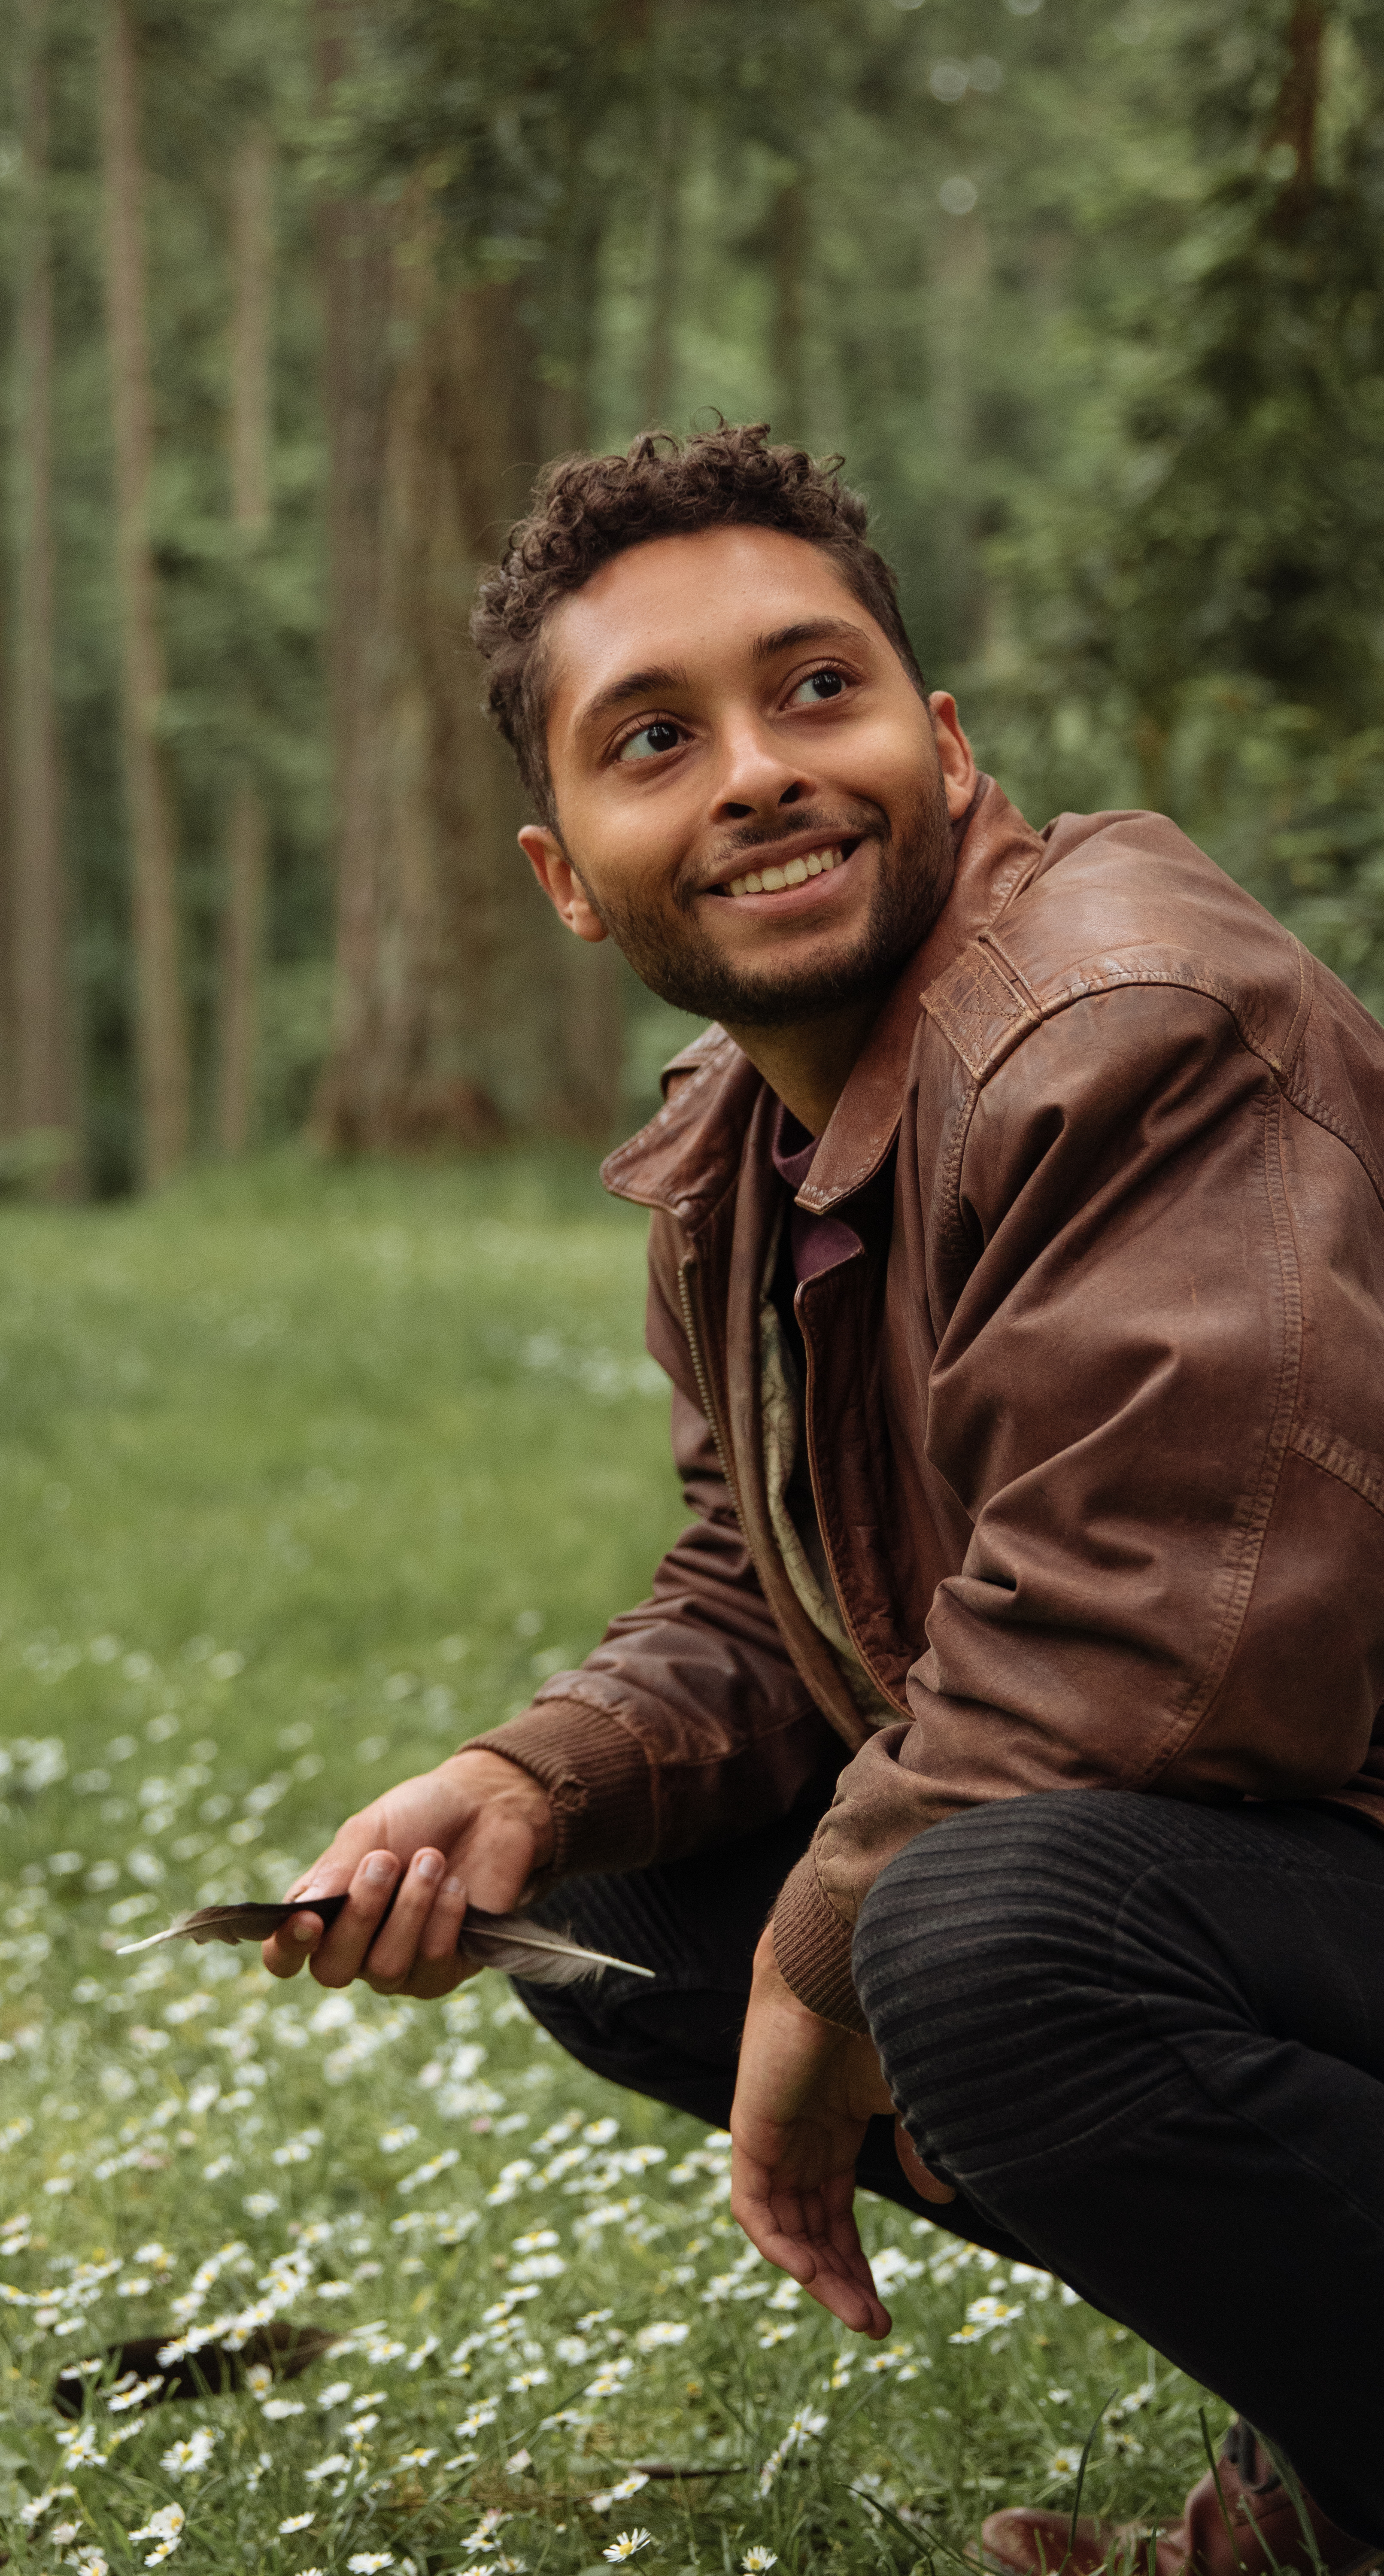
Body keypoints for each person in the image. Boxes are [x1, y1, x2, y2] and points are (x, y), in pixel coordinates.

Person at [261, 424, 1384, 2566]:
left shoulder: (1125, 1022)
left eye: (814, 691)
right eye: (656, 737)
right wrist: (534, 1778)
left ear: (943, 746)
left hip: (1299, 1812)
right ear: (567, 873)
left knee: (973, 1944)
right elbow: (773, 1594)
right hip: (1308, 1864)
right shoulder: (743, 1144)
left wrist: (815, 1981)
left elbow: (1151, 1639)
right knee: (600, 1909)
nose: (759, 771)